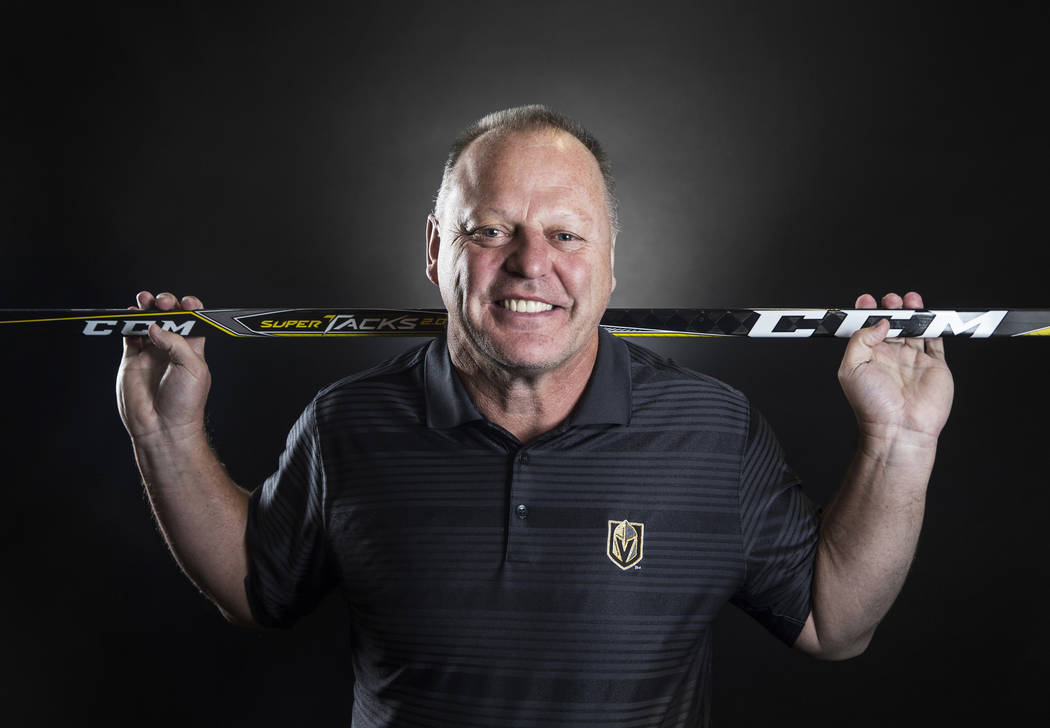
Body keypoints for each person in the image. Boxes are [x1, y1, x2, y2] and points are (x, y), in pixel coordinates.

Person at [116, 106, 954, 727]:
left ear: (611, 266)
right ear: (437, 249)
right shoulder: (347, 425)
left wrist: (900, 440)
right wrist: (164, 432)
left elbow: (835, 624)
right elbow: (256, 589)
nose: (531, 264)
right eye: (491, 230)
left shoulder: (713, 431)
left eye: (567, 235)